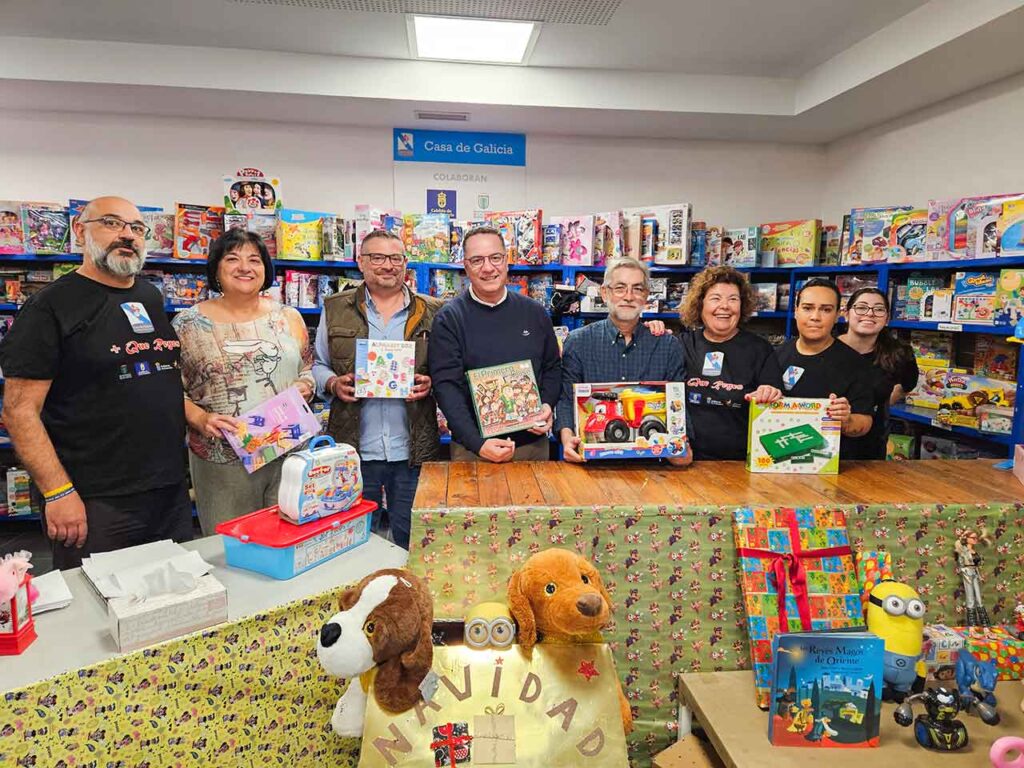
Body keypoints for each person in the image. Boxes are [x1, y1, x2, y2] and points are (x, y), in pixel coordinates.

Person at [0, 196, 191, 568]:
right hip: (95, 499)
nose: (127, 235)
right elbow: (19, 411)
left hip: (167, 491)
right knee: (97, 613)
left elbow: (155, 373)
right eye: (111, 223)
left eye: (137, 228)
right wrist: (58, 492)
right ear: (79, 231)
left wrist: (200, 420)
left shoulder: (149, 295)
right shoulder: (49, 307)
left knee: (174, 605)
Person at [173, 229, 314, 534]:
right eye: (232, 258)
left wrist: (305, 386)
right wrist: (199, 417)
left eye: (254, 259)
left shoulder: (288, 317)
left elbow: (306, 367)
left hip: (289, 450)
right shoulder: (187, 324)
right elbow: (169, 388)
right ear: (216, 269)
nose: (245, 267)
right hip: (223, 459)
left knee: (288, 537)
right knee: (232, 544)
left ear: (265, 269)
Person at [312, 229, 440, 549]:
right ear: (361, 263)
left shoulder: (434, 310)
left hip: (412, 451)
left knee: (412, 541)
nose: (388, 265)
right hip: (354, 450)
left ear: (405, 263)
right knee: (351, 540)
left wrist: (432, 382)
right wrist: (332, 382)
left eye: (395, 258)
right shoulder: (335, 308)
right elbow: (317, 365)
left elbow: (450, 369)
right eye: (377, 257)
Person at [429, 225, 560, 463]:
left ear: (507, 261)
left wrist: (548, 405)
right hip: (473, 451)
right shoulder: (449, 318)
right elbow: (446, 387)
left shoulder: (535, 312)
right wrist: (477, 443)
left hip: (532, 447)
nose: (488, 268)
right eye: (477, 260)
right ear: (466, 266)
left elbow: (552, 368)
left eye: (495, 258)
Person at [556, 257, 691, 466]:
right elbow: (566, 399)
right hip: (592, 465)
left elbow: (678, 402)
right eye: (620, 288)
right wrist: (567, 440)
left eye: (637, 289)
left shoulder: (667, 345)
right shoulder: (578, 341)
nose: (628, 296)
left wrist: (681, 444)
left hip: (653, 466)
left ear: (646, 295)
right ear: (605, 293)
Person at [678, 266, 784, 460]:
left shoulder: (760, 349)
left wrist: (770, 394)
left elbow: (775, 402)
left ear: (742, 306)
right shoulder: (682, 344)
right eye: (715, 298)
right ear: (700, 304)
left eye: (733, 299)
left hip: (741, 462)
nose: (724, 306)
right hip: (688, 460)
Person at [774, 278, 873, 455]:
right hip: (776, 457)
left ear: (837, 316)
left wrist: (847, 421)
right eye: (807, 308)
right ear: (796, 311)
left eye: (826, 310)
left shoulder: (855, 364)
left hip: (827, 464)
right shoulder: (776, 355)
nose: (815, 317)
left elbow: (865, 422)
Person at [837, 288, 919, 459]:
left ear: (887, 318)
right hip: (822, 444)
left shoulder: (899, 353)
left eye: (879, 309)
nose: (870, 314)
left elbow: (907, 384)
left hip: (870, 450)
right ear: (846, 313)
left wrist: (880, 404)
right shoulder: (827, 347)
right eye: (861, 307)